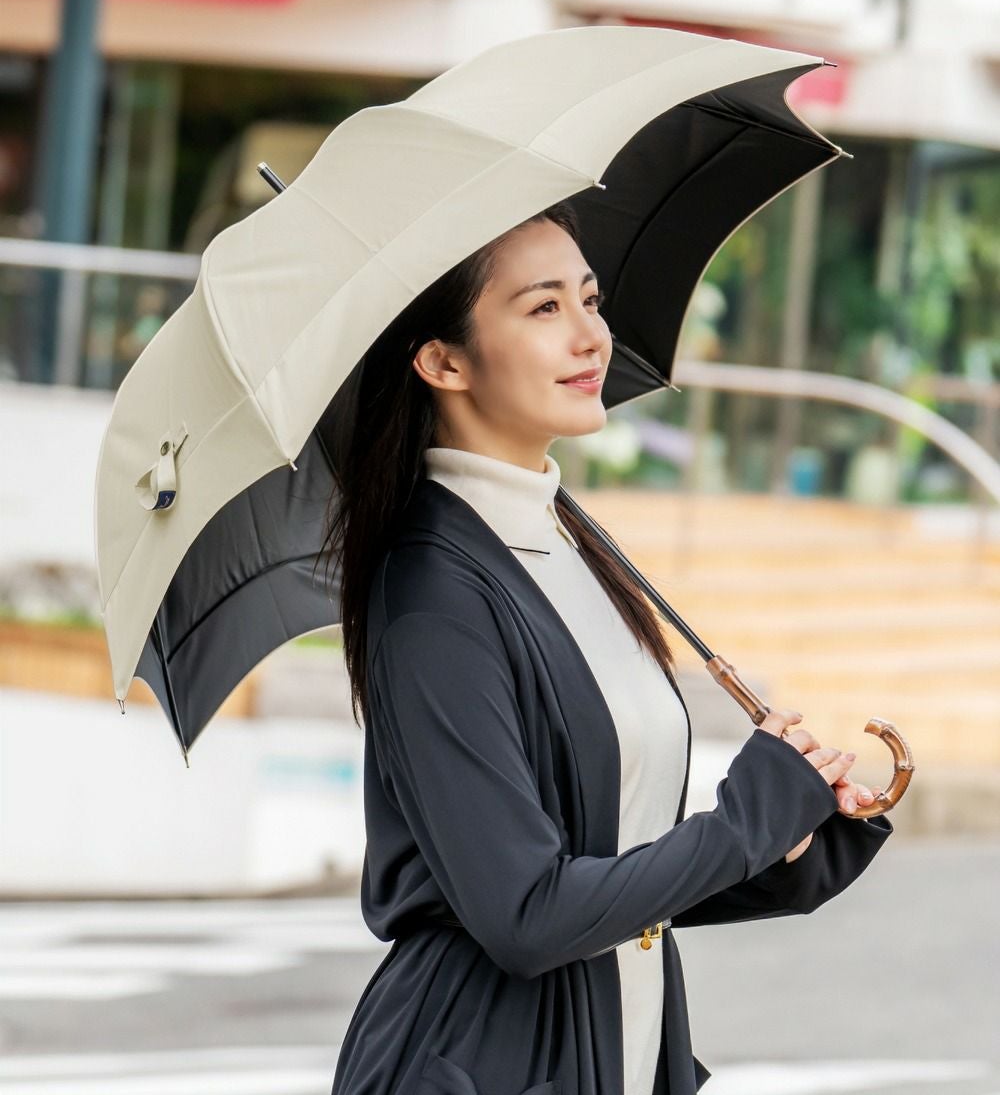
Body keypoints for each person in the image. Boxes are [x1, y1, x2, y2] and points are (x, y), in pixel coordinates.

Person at [323, 201, 893, 1095]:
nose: (591, 336)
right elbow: (526, 912)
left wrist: (785, 848)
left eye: (589, 299)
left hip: (613, 1050)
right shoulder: (431, 595)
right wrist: (743, 823)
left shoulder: (567, 542)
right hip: (480, 1058)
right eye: (544, 309)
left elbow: (608, 864)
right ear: (442, 360)